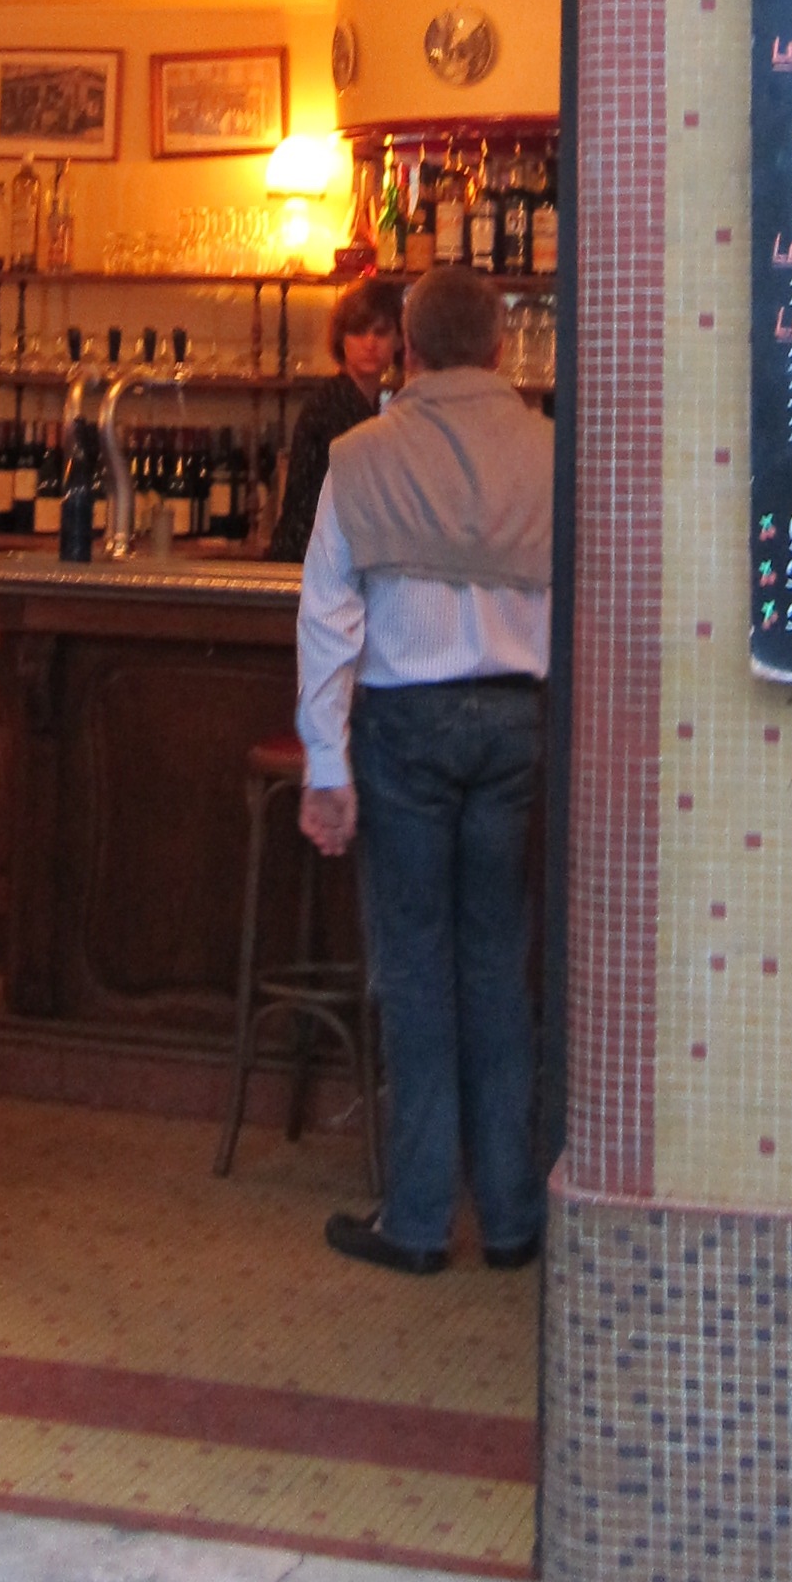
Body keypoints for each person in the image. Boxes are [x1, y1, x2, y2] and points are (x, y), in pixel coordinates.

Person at [295, 263, 551, 1274]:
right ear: (496, 347)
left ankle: (416, 1218)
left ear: (408, 348)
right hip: (516, 727)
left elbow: (328, 617)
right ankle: (515, 1215)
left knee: (414, 969)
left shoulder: (360, 454)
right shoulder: (550, 450)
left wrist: (327, 763)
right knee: (497, 966)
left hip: (405, 724)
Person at [264, 277, 401, 566]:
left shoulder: (369, 404)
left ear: (398, 341)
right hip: (308, 558)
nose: (370, 343)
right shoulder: (334, 404)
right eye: (358, 331)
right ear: (341, 339)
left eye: (381, 332)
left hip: (320, 555)